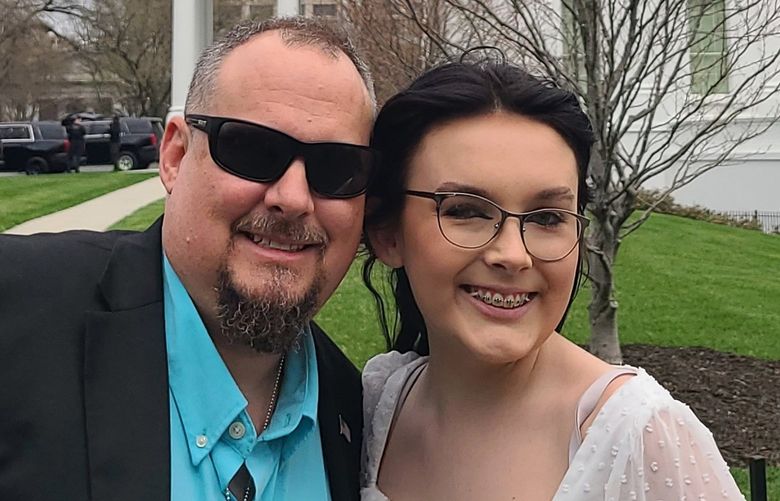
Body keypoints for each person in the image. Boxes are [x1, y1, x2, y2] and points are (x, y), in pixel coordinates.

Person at [0, 17, 376, 501]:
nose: (294, 198)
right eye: (252, 149)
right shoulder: (16, 314)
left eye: (337, 166)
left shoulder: (355, 412)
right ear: (175, 156)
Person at [360, 61, 744, 500]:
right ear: (387, 234)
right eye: (465, 211)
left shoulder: (639, 436)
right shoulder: (381, 406)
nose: (512, 255)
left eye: (547, 217)